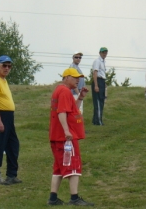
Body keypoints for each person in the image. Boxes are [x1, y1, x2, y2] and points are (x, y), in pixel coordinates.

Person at [47, 68, 94, 206]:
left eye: (78, 77)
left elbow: (72, 110)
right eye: (74, 77)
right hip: (65, 138)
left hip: (56, 136)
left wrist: (80, 97)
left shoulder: (61, 90)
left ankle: (53, 198)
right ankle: (74, 198)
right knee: (74, 165)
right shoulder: (65, 91)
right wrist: (67, 131)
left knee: (58, 168)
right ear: (66, 77)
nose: (77, 80)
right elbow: (62, 112)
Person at [0, 55, 22, 185]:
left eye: (9, 66)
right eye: (4, 65)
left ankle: (11, 175)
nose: (7, 68)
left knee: (13, 144)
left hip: (8, 116)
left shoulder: (3, 80)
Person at [91, 47, 108, 125]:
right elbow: (95, 73)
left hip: (102, 81)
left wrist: (104, 83)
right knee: (97, 102)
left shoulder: (103, 62)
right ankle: (98, 121)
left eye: (105, 52)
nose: (104, 54)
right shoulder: (97, 61)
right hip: (97, 80)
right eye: (103, 52)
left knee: (101, 101)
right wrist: (96, 85)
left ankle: (96, 119)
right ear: (100, 53)